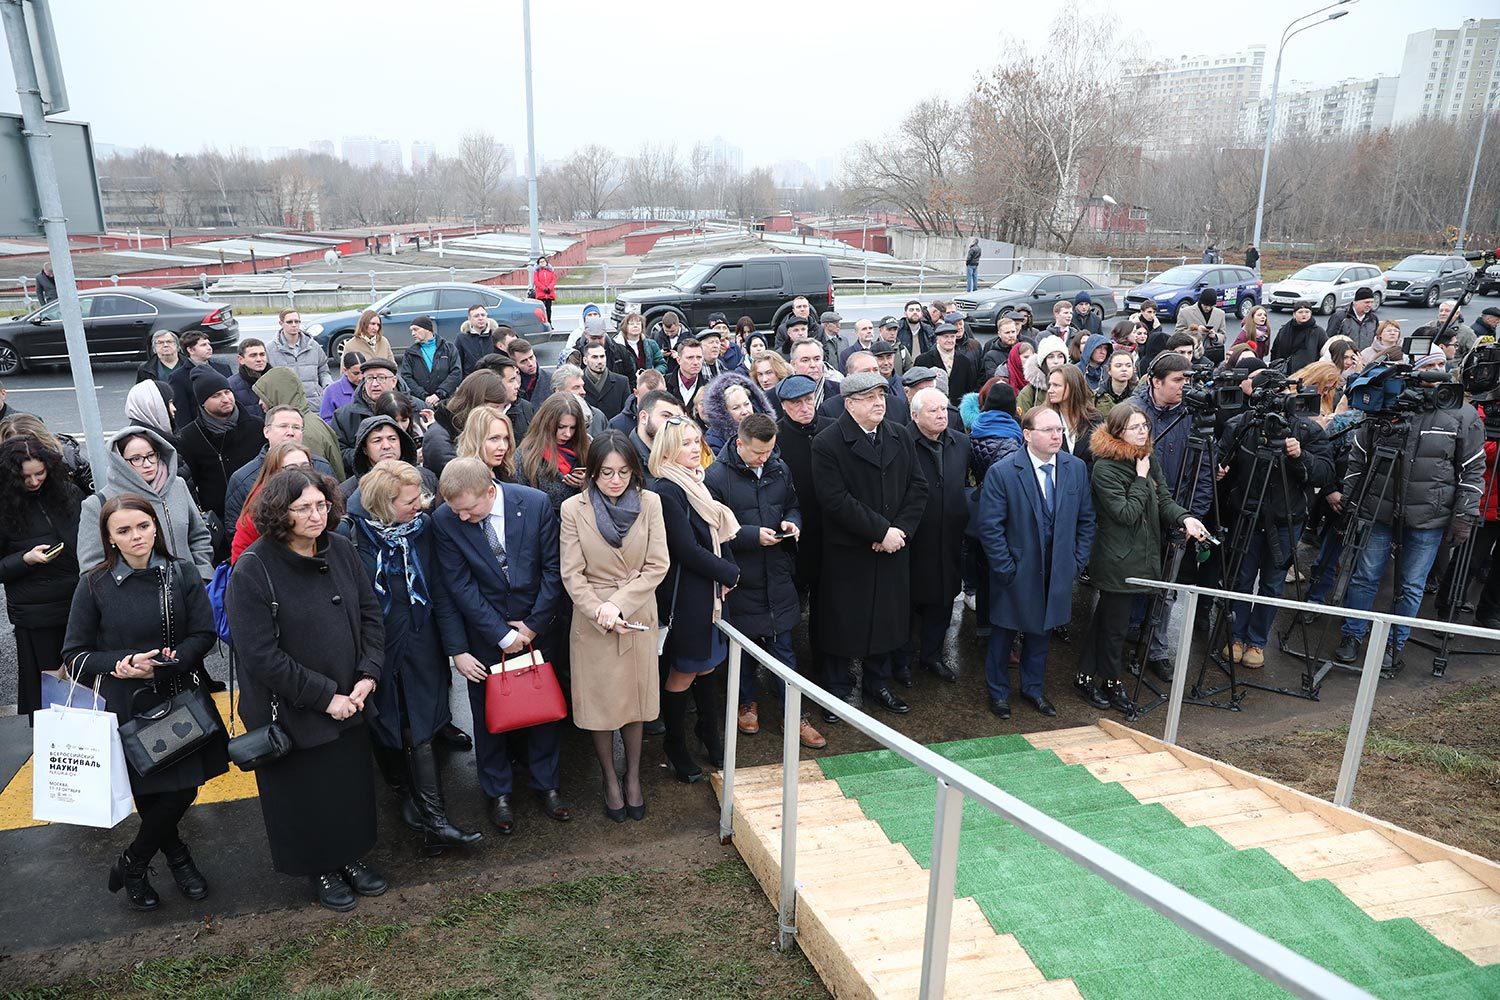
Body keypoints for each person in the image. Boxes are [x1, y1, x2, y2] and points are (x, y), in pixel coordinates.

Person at [227, 467, 386, 912]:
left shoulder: (340, 548)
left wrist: (368, 675)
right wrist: (324, 696)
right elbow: (260, 655)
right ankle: (321, 867)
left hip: (352, 698)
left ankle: (351, 858)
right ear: (281, 512)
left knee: (349, 788)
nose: (317, 515)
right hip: (294, 708)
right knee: (306, 795)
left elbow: (371, 614)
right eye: (303, 508)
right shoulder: (253, 568)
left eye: (321, 504)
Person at [63, 495, 227, 911]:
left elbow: (204, 634)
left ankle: (133, 860)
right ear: (110, 538)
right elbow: (74, 655)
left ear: (155, 526)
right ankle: (177, 858)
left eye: (142, 526)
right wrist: (120, 664)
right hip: (126, 704)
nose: (136, 536)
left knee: (183, 789)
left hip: (178, 697)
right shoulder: (93, 584)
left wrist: (171, 661)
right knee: (152, 792)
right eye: (123, 530)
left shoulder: (182, 573)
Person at [338, 460, 482, 856]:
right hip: (378, 650)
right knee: (389, 726)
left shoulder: (426, 529)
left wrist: (452, 645)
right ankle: (408, 796)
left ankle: (435, 821)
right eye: (408, 500)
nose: (419, 504)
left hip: (422, 645)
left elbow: (441, 588)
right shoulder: (351, 538)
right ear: (383, 504)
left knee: (419, 728)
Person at [434, 458, 570, 831]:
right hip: (485, 634)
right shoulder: (445, 520)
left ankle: (548, 785)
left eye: (469, 509)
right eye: (455, 510)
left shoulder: (536, 503)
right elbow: (458, 586)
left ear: (490, 491)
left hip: (538, 629)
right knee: (489, 716)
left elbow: (554, 570)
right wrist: (503, 634)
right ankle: (498, 793)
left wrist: (531, 627)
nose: (462, 518)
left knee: (543, 708)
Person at [559, 432, 670, 820]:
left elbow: (658, 564)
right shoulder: (574, 509)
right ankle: (609, 778)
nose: (615, 480)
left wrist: (617, 605)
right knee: (601, 704)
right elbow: (572, 574)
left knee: (636, 703)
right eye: (606, 472)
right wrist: (600, 610)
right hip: (593, 621)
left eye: (623, 472)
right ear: (592, 472)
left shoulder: (650, 502)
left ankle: (634, 776)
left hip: (636, 610)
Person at [1333, 390, 1484, 674]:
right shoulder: (1389, 402)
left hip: (1429, 517)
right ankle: (1352, 634)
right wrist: (1351, 500)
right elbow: (1359, 457)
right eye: (1427, 365)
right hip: (1379, 510)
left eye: (1438, 365)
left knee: (1412, 585)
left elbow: (1473, 468)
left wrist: (1465, 514)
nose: (1433, 373)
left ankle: (1394, 644)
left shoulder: (1462, 414)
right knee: (1364, 577)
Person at [812, 371, 928, 719]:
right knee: (843, 623)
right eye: (869, 398)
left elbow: (917, 487)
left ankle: (877, 682)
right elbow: (835, 500)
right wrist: (880, 532)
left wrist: (900, 532)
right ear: (849, 404)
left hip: (892, 547)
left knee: (887, 620)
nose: (880, 403)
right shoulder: (828, 442)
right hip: (850, 551)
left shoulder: (899, 434)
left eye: (881, 395)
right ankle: (836, 691)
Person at [704, 414, 824, 748]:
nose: (764, 458)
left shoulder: (779, 468)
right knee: (743, 650)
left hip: (778, 574)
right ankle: (747, 703)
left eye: (769, 451)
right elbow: (712, 533)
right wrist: (751, 536)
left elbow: (793, 506)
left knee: (784, 648)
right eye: (758, 453)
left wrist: (791, 523)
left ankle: (792, 713)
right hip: (741, 578)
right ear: (739, 443)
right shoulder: (716, 477)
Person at [1083, 403, 1212, 708]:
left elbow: (1164, 500)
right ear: (1118, 431)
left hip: (1141, 554)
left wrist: (1185, 518)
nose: (1143, 432)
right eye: (1135, 427)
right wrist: (1141, 479)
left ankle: (1085, 676)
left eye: (1145, 426)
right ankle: (1112, 683)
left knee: (1106, 621)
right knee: (1114, 629)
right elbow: (1125, 514)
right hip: (1117, 560)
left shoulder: (1146, 458)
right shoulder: (1104, 468)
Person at [977, 407, 1095, 720]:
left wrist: (1074, 563)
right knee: (1003, 635)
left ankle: (1033, 688)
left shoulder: (1075, 468)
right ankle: (998, 693)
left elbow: (1086, 520)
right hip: (1015, 571)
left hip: (1057, 570)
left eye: (1058, 430)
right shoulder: (1003, 472)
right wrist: (1005, 568)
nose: (1056, 435)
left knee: (1042, 635)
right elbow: (990, 526)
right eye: (1048, 430)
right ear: (1027, 435)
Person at [1216, 372, 1334, 669]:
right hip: (1248, 515)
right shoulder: (1241, 425)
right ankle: (1236, 636)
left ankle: (1257, 640)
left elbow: (1324, 473)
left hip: (1287, 519)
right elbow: (1220, 461)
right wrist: (1219, 470)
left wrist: (1299, 455)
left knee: (1272, 582)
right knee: (1241, 579)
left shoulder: (1306, 430)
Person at [647, 416, 740, 781]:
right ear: (668, 448)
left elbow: (719, 533)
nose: (694, 449)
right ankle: (675, 745)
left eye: (696, 441)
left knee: (708, 665)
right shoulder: (666, 489)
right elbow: (685, 549)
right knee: (684, 670)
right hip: (686, 594)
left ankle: (708, 732)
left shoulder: (698, 482)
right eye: (685, 443)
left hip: (709, 590)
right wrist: (729, 573)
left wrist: (729, 572)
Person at [0, 436, 81, 718]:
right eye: (26, 477)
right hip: (37, 616)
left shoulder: (68, 493)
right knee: (50, 696)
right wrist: (25, 559)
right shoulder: (4, 507)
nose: (34, 481)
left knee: (87, 685)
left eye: (40, 473)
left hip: (77, 602)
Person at [78, 428, 214, 582]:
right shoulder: (98, 504)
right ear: (120, 462)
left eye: (151, 455)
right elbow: (91, 566)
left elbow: (199, 535)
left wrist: (203, 575)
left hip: (188, 589)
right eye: (136, 459)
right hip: (140, 598)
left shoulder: (177, 485)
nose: (147, 464)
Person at [899, 386, 968, 686]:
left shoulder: (961, 443)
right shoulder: (901, 443)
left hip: (950, 537)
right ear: (914, 416)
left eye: (945, 410)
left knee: (944, 598)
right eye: (934, 410)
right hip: (914, 539)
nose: (942, 415)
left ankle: (932, 656)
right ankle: (901, 662)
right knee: (907, 604)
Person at [224, 405, 338, 529]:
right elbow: (234, 529)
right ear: (266, 432)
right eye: (283, 426)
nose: (290, 432)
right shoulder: (243, 478)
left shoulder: (322, 467)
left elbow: (336, 513)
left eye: (296, 427)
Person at [176, 367, 266, 523]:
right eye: (216, 395)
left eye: (227, 392)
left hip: (260, 511)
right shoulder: (189, 437)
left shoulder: (256, 426)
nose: (225, 399)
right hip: (220, 519)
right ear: (203, 403)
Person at [252, 367, 345, 480]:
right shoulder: (310, 420)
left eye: (264, 396)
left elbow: (312, 480)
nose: (260, 402)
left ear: (276, 394)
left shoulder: (302, 435)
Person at [230, 441, 311, 564]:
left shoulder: (319, 497)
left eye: (306, 467)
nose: (301, 473)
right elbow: (241, 562)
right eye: (292, 468)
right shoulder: (258, 509)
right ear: (274, 472)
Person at [518, 392, 591, 514]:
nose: (567, 434)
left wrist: (587, 483)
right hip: (542, 525)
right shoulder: (526, 454)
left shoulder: (587, 447)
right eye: (561, 427)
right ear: (546, 423)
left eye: (572, 428)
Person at [340, 414, 438, 501]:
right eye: (377, 440)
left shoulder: (427, 479)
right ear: (364, 449)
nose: (386, 446)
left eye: (392, 439)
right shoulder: (348, 493)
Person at [0, 411, 94, 496]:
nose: (25, 451)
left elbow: (95, 499)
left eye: (30, 444)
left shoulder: (70, 461)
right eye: (17, 448)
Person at [331, 357, 401, 471]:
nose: (374, 384)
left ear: (393, 381)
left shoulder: (415, 408)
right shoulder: (343, 416)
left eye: (381, 378)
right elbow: (339, 452)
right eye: (369, 378)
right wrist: (369, 455)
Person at [265, 309, 332, 409]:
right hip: (286, 406)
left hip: (313, 405)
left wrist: (327, 386)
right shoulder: (270, 349)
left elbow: (323, 370)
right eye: (289, 322)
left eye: (297, 321)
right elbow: (267, 380)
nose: (294, 325)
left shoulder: (313, 346)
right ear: (281, 323)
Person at [166, 331, 234, 427]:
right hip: (201, 429)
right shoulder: (178, 377)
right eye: (203, 345)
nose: (209, 348)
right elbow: (182, 411)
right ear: (191, 350)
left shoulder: (223, 368)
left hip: (228, 424)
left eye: (209, 344)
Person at [702, 371, 775, 455]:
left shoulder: (766, 428)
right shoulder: (714, 439)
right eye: (736, 408)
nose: (744, 411)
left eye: (746, 404)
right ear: (724, 412)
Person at [398, 315, 463, 408]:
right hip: (421, 403)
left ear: (427, 329)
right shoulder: (410, 352)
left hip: (447, 401)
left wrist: (439, 394)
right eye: (411, 330)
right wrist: (424, 396)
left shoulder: (449, 348)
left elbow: (456, 372)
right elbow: (406, 376)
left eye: (416, 329)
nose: (413, 333)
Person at [1048, 365, 1104, 468]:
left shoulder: (1094, 419)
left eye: (1056, 385)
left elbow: (1098, 459)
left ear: (1073, 386)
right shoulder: (1044, 419)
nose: (1050, 390)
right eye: (1050, 385)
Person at [915, 323, 978, 404]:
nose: (949, 340)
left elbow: (970, 388)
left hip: (957, 410)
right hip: (931, 407)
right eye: (946, 337)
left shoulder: (964, 361)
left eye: (952, 336)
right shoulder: (923, 360)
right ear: (937, 339)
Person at [1017, 335, 1069, 412]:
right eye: (1050, 357)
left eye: (1060, 356)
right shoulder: (1029, 393)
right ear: (1043, 361)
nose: (1056, 361)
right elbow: (1024, 422)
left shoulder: (1074, 386)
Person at [1271, 301, 1326, 373]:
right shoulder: (1284, 330)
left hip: (1308, 373)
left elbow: (1325, 352)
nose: (1304, 314)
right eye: (1300, 312)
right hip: (1284, 371)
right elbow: (1275, 349)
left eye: (1307, 312)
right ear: (1294, 314)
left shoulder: (1318, 331)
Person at [581, 342, 631, 419]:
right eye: (594, 357)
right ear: (585, 360)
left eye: (602, 356)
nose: (600, 361)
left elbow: (627, 413)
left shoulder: (622, 382)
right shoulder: (577, 383)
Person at [455, 304, 507, 377]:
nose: (480, 318)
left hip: (495, 379)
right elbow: (458, 363)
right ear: (470, 319)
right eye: (476, 316)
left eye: (483, 315)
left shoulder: (496, 336)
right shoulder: (461, 338)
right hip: (472, 380)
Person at [1175, 289, 1226, 362]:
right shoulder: (1185, 312)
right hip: (1192, 355)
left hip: (1213, 354)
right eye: (1205, 305)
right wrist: (1196, 330)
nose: (1208, 308)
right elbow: (1177, 334)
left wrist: (1215, 336)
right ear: (1200, 302)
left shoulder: (1220, 314)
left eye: (1211, 306)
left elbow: (1223, 336)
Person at [1325, 287, 1380, 352]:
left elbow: (1376, 340)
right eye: (1366, 302)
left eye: (1372, 302)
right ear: (1355, 302)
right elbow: (1330, 339)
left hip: (1364, 358)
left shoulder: (1373, 319)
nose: (1370, 305)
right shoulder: (1340, 317)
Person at [228, 338, 269, 417]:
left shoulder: (276, 380)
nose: (259, 359)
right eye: (253, 355)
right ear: (241, 359)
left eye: (262, 354)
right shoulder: (231, 386)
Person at [667, 337, 708, 411]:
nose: (696, 362)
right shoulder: (664, 384)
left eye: (699, 357)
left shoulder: (709, 387)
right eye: (690, 358)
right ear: (679, 360)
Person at [1094, 351, 1139, 417]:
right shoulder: (1098, 396)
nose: (1124, 369)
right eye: (1118, 366)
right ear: (1109, 370)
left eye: (1128, 366)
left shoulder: (1138, 395)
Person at [510, 339, 553, 404]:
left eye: (531, 357)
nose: (530, 363)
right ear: (515, 364)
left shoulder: (550, 379)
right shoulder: (509, 384)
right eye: (524, 361)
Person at [531, 256, 557, 322]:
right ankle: (542, 322)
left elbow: (553, 280)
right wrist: (544, 288)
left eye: (543, 261)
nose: (542, 263)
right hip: (540, 293)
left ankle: (549, 322)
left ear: (546, 262)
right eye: (540, 262)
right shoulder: (537, 271)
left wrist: (549, 288)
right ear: (538, 264)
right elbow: (536, 281)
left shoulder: (550, 271)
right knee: (541, 310)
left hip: (549, 293)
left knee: (548, 309)